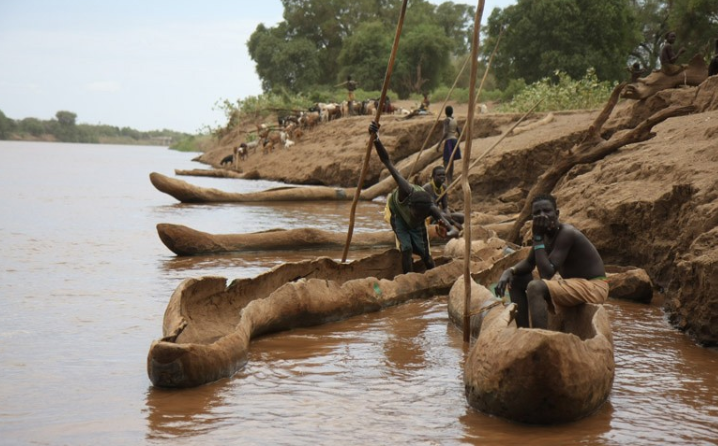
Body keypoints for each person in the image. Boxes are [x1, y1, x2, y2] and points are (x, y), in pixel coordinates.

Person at [494, 193, 608, 329]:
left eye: (547, 211)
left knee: (535, 287)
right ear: (532, 218)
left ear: (557, 213)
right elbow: (529, 263)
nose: (542, 215)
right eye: (537, 213)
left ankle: (539, 338)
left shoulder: (566, 233)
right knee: (517, 278)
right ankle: (522, 331)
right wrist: (509, 271)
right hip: (574, 284)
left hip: (594, 287)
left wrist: (537, 238)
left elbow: (546, 274)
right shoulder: (546, 236)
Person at [369, 121, 459, 274]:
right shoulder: (406, 190)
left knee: (426, 256)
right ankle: (408, 278)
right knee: (407, 249)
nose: (417, 217)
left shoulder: (430, 208)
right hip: (397, 215)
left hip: (416, 225)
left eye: (421, 216)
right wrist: (376, 138)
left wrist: (446, 233)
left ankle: (433, 276)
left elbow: (454, 230)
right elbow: (386, 161)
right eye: (416, 214)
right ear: (410, 205)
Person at [423, 165, 464, 230]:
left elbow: (445, 207)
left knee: (462, 217)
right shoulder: (428, 188)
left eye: (443, 175)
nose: (442, 177)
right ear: (433, 176)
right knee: (444, 217)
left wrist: (448, 215)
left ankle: (446, 222)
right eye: (439, 175)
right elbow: (433, 208)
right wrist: (453, 222)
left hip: (438, 213)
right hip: (427, 215)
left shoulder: (444, 187)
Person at [438, 105, 461, 184]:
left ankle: (449, 180)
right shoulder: (454, 120)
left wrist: (439, 143)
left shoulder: (446, 120)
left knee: (446, 161)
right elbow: (459, 132)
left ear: (445, 112)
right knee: (451, 161)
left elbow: (445, 133)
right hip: (454, 140)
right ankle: (450, 179)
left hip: (449, 141)